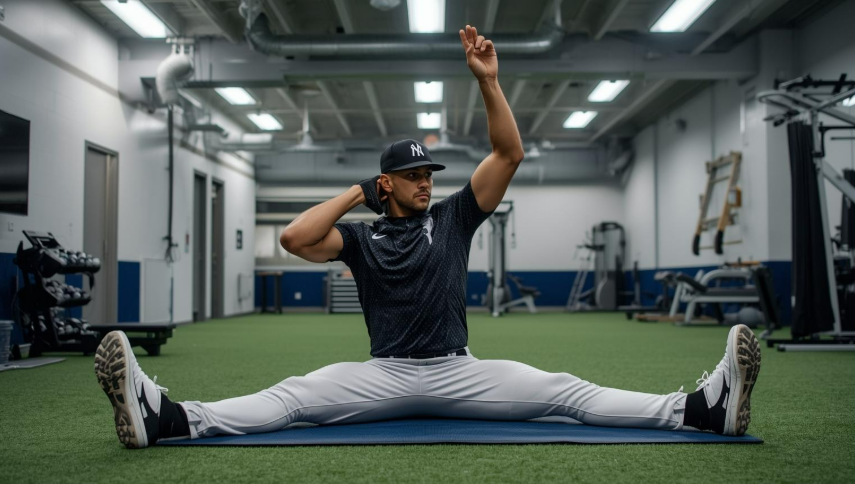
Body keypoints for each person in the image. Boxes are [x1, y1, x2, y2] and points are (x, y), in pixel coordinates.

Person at [94, 25, 761, 449]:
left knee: (564, 391)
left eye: (426, 174)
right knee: (294, 396)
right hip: (381, 376)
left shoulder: (452, 217)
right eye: (411, 175)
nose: (423, 182)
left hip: (460, 371)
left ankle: (702, 409)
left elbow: (507, 156)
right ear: (388, 184)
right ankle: (169, 418)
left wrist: (490, 83)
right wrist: (359, 190)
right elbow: (296, 239)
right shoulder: (357, 239)